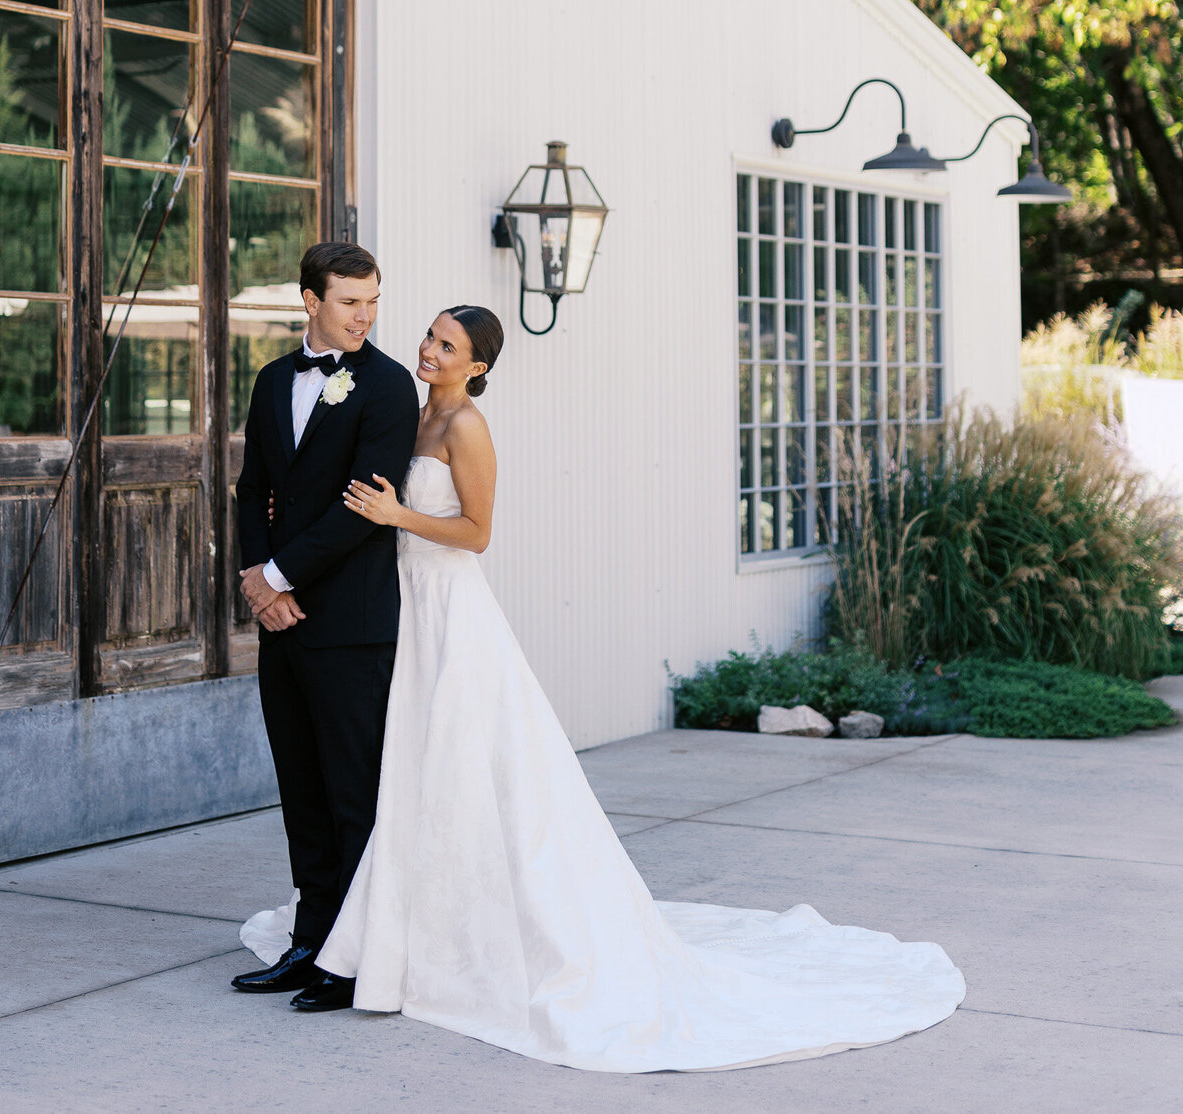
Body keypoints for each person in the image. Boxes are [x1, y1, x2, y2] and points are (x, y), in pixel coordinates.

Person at [242, 303, 965, 1068]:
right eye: (429, 336)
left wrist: (399, 515)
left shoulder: (465, 428)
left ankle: (429, 939)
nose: (429, 349)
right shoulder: (410, 414)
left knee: (461, 765)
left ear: (477, 366)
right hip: (399, 607)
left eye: (447, 346)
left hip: (448, 606)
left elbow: (478, 533)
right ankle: (388, 927)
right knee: (407, 776)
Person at [230, 242, 419, 1012]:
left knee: (353, 795)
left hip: (352, 622)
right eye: (349, 301)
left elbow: (364, 507)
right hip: (282, 624)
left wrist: (278, 576)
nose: (364, 315)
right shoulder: (272, 380)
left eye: (372, 301)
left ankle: (356, 960)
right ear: (310, 300)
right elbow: (252, 491)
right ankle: (310, 942)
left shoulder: (390, 386)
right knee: (301, 790)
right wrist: (259, 582)